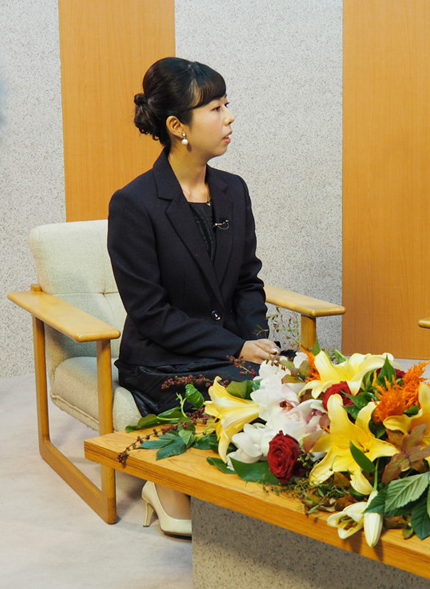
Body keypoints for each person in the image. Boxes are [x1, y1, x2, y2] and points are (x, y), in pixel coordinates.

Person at [108, 57, 279, 537]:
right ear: (177, 126)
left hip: (230, 348)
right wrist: (238, 349)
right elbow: (151, 313)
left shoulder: (232, 190)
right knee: (248, 393)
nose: (229, 118)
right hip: (162, 359)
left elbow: (247, 279)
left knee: (295, 381)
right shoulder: (134, 204)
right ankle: (165, 484)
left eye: (228, 105)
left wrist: (259, 339)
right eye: (215, 108)